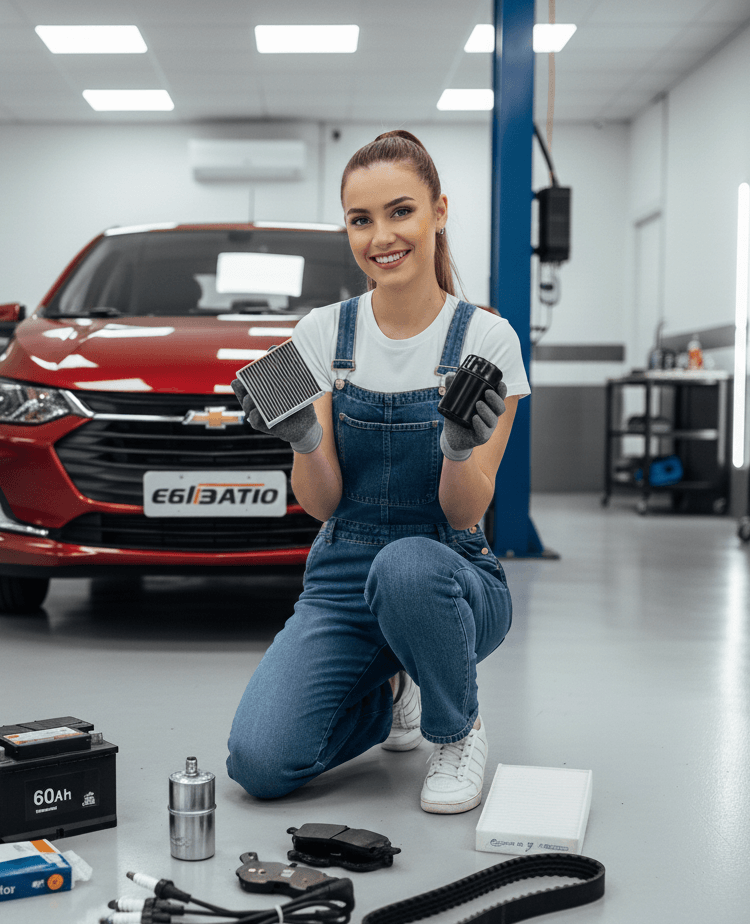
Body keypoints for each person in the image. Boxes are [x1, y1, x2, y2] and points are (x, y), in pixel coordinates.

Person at [227, 130, 530, 813]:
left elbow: (463, 513)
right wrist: (305, 438)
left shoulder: (487, 340)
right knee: (259, 763)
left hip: (451, 577)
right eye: (360, 219)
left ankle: (455, 728)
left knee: (406, 567)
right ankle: (395, 686)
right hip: (343, 578)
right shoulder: (320, 334)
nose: (381, 237)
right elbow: (321, 503)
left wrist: (458, 449)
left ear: (439, 212)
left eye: (401, 212)